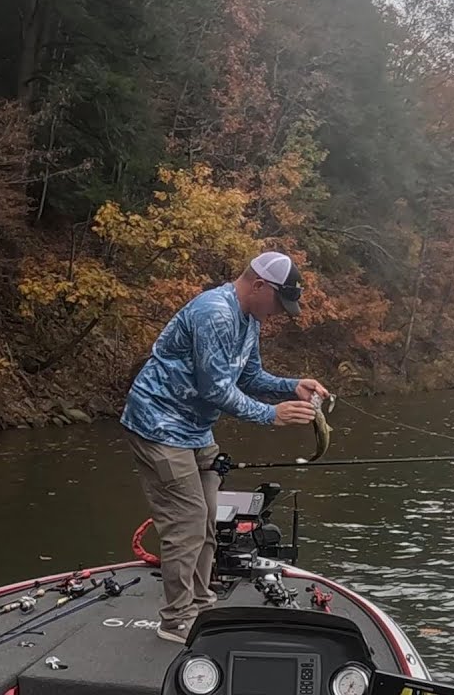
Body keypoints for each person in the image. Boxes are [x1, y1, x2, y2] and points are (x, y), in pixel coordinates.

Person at [120, 251, 329, 644]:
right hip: (158, 426)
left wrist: (292, 386)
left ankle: (201, 605)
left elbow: (249, 376)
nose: (278, 313)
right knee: (186, 524)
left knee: (207, 522)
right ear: (260, 285)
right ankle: (175, 620)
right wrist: (271, 415)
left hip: (196, 431)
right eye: (278, 303)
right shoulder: (214, 313)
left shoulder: (250, 319)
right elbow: (215, 390)